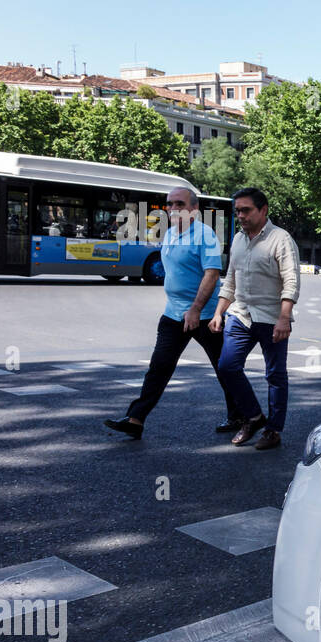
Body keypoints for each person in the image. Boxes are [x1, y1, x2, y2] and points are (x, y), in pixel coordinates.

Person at [105, 186, 241, 441]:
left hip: (204, 314)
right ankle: (136, 419)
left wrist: (196, 309)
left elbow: (212, 273)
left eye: (179, 203)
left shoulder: (205, 235)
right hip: (173, 313)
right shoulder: (169, 234)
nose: (173, 208)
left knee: (224, 367)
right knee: (159, 367)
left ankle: (241, 414)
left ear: (193, 209)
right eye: (169, 204)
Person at [211, 187, 301, 450]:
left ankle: (273, 430)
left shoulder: (281, 239)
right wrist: (218, 312)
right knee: (227, 366)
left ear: (263, 210)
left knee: (275, 374)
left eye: (246, 210)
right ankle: (254, 416)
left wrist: (284, 317)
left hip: (272, 317)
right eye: (237, 210)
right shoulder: (238, 239)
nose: (240, 215)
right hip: (240, 315)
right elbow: (230, 280)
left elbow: (291, 281)